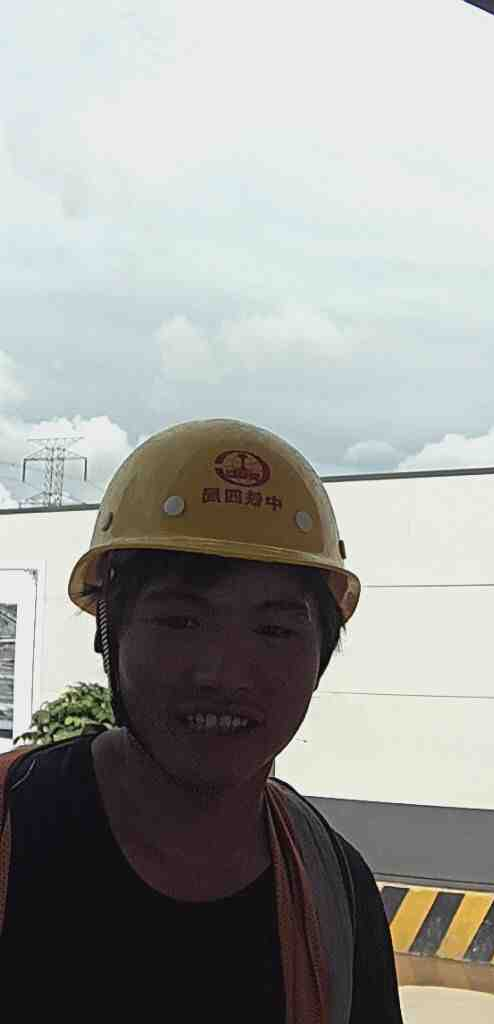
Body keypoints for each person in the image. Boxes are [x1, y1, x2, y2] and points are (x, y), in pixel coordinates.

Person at [0, 419, 402, 1021]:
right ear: (107, 631)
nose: (225, 673)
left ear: (321, 653)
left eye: (274, 629)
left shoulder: (335, 895)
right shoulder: (12, 828)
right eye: (180, 621)